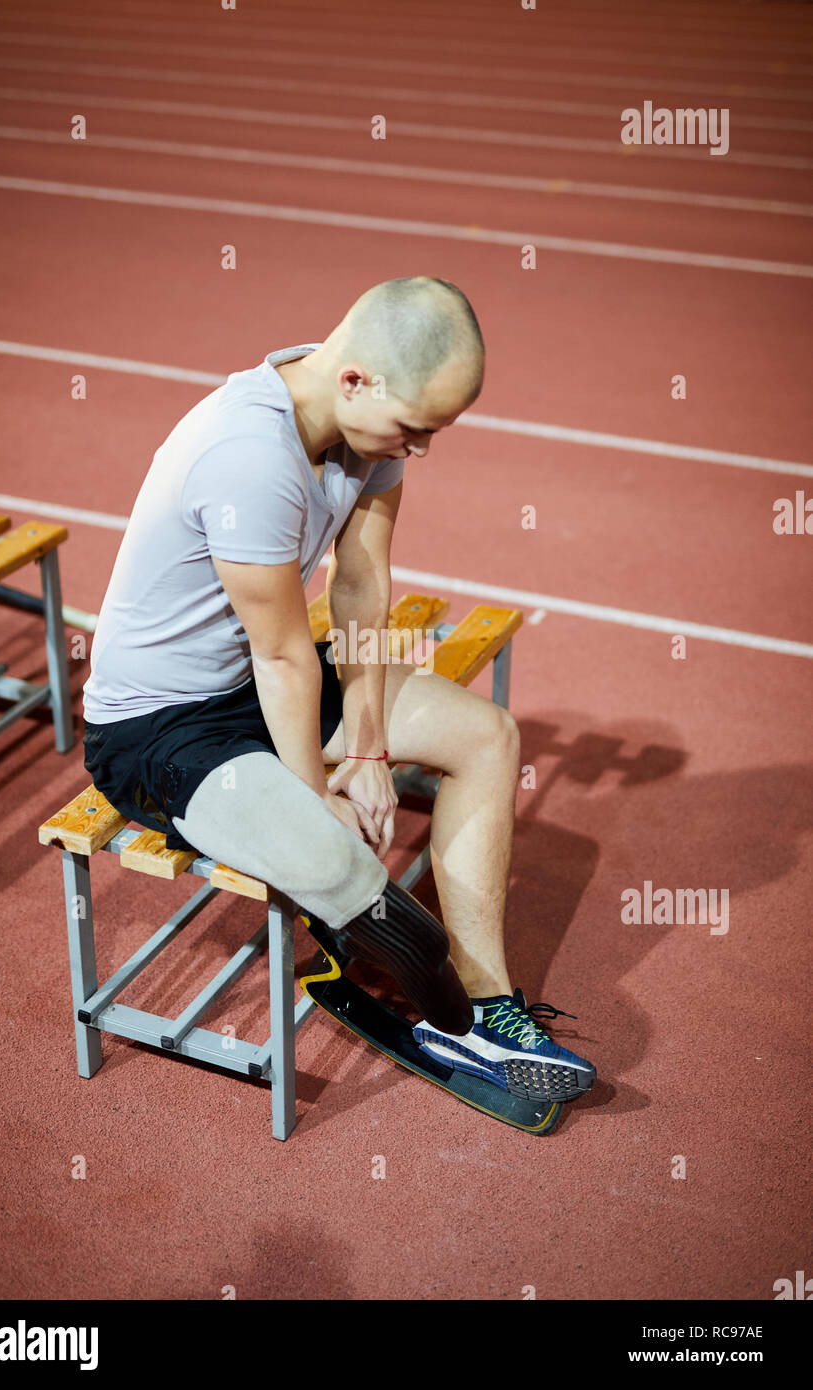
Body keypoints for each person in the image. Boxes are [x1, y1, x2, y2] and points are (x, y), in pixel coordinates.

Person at [82, 276, 595, 1103]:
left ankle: (486, 1003)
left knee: (486, 736)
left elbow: (359, 588)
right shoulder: (248, 456)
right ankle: (418, 987)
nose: (419, 450)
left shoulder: (364, 431)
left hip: (260, 673)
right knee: (337, 854)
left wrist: (366, 741)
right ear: (355, 379)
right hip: (160, 727)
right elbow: (284, 656)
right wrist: (319, 786)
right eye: (414, 429)